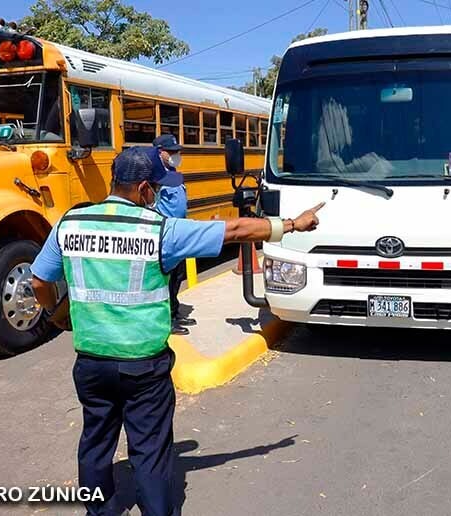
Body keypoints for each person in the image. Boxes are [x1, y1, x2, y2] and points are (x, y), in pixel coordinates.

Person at [30, 147, 324, 516]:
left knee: (95, 443)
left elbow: (39, 279)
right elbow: (234, 229)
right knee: (150, 451)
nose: (159, 194)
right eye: (157, 187)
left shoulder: (71, 224)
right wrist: (292, 225)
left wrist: (58, 317)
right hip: (143, 367)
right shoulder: (160, 231)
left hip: (91, 362)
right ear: (142, 189)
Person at [150, 135, 192, 335]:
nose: (176, 155)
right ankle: (166, 320)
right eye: (172, 151)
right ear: (160, 152)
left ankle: (174, 311)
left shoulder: (172, 173)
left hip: (179, 231)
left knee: (177, 276)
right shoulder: (155, 176)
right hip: (165, 233)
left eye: (177, 151)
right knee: (166, 279)